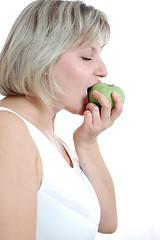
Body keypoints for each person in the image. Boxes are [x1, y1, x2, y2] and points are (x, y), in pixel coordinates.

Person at [0, 1, 123, 239]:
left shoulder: (54, 142)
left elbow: (107, 222)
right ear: (42, 57)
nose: (103, 70)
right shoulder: (9, 131)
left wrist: (87, 142)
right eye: (88, 57)